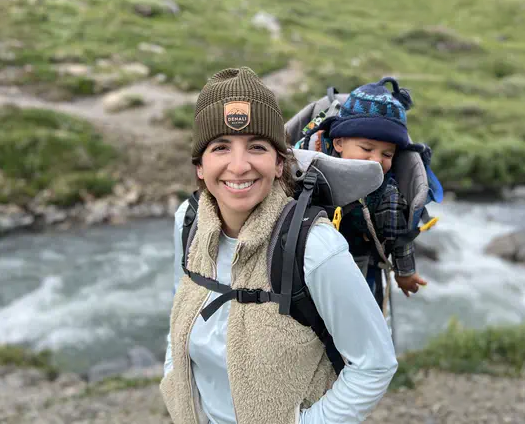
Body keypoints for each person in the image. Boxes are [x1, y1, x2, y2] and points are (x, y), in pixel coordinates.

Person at [161, 67, 398, 424]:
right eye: (220, 147)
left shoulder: (315, 245)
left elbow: (375, 363)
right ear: (199, 165)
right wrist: (173, 384)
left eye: (257, 146)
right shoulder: (189, 223)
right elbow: (179, 313)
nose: (238, 166)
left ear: (278, 162)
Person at [295, 77, 428, 310]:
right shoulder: (306, 165)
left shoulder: (387, 193)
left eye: (387, 155)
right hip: (302, 265)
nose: (376, 160)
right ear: (338, 143)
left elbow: (399, 237)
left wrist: (405, 272)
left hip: (359, 266)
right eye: (366, 149)